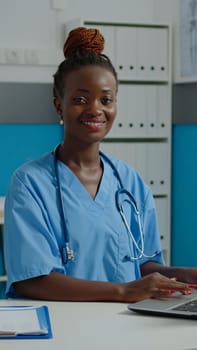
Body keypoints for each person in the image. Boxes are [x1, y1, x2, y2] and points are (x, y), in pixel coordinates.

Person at [3, 27, 197, 302]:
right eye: (80, 99)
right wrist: (123, 291)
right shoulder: (30, 183)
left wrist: (179, 273)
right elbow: (32, 281)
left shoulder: (130, 181)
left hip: (125, 322)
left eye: (106, 99)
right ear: (59, 105)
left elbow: (139, 264)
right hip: (63, 325)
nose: (95, 109)